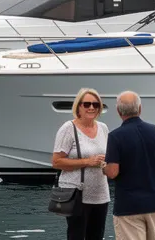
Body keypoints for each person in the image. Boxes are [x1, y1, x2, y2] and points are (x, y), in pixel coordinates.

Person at [103, 92, 155, 240]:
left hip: (129, 207)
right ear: (140, 109)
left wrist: (102, 166)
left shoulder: (115, 136)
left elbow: (112, 172)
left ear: (118, 111)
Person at [52, 88, 110, 240]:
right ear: (78, 106)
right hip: (77, 194)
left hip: (101, 194)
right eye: (87, 104)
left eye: (95, 104)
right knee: (76, 236)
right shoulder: (68, 128)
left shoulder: (103, 128)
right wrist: (87, 162)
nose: (91, 107)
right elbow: (56, 162)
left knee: (97, 236)